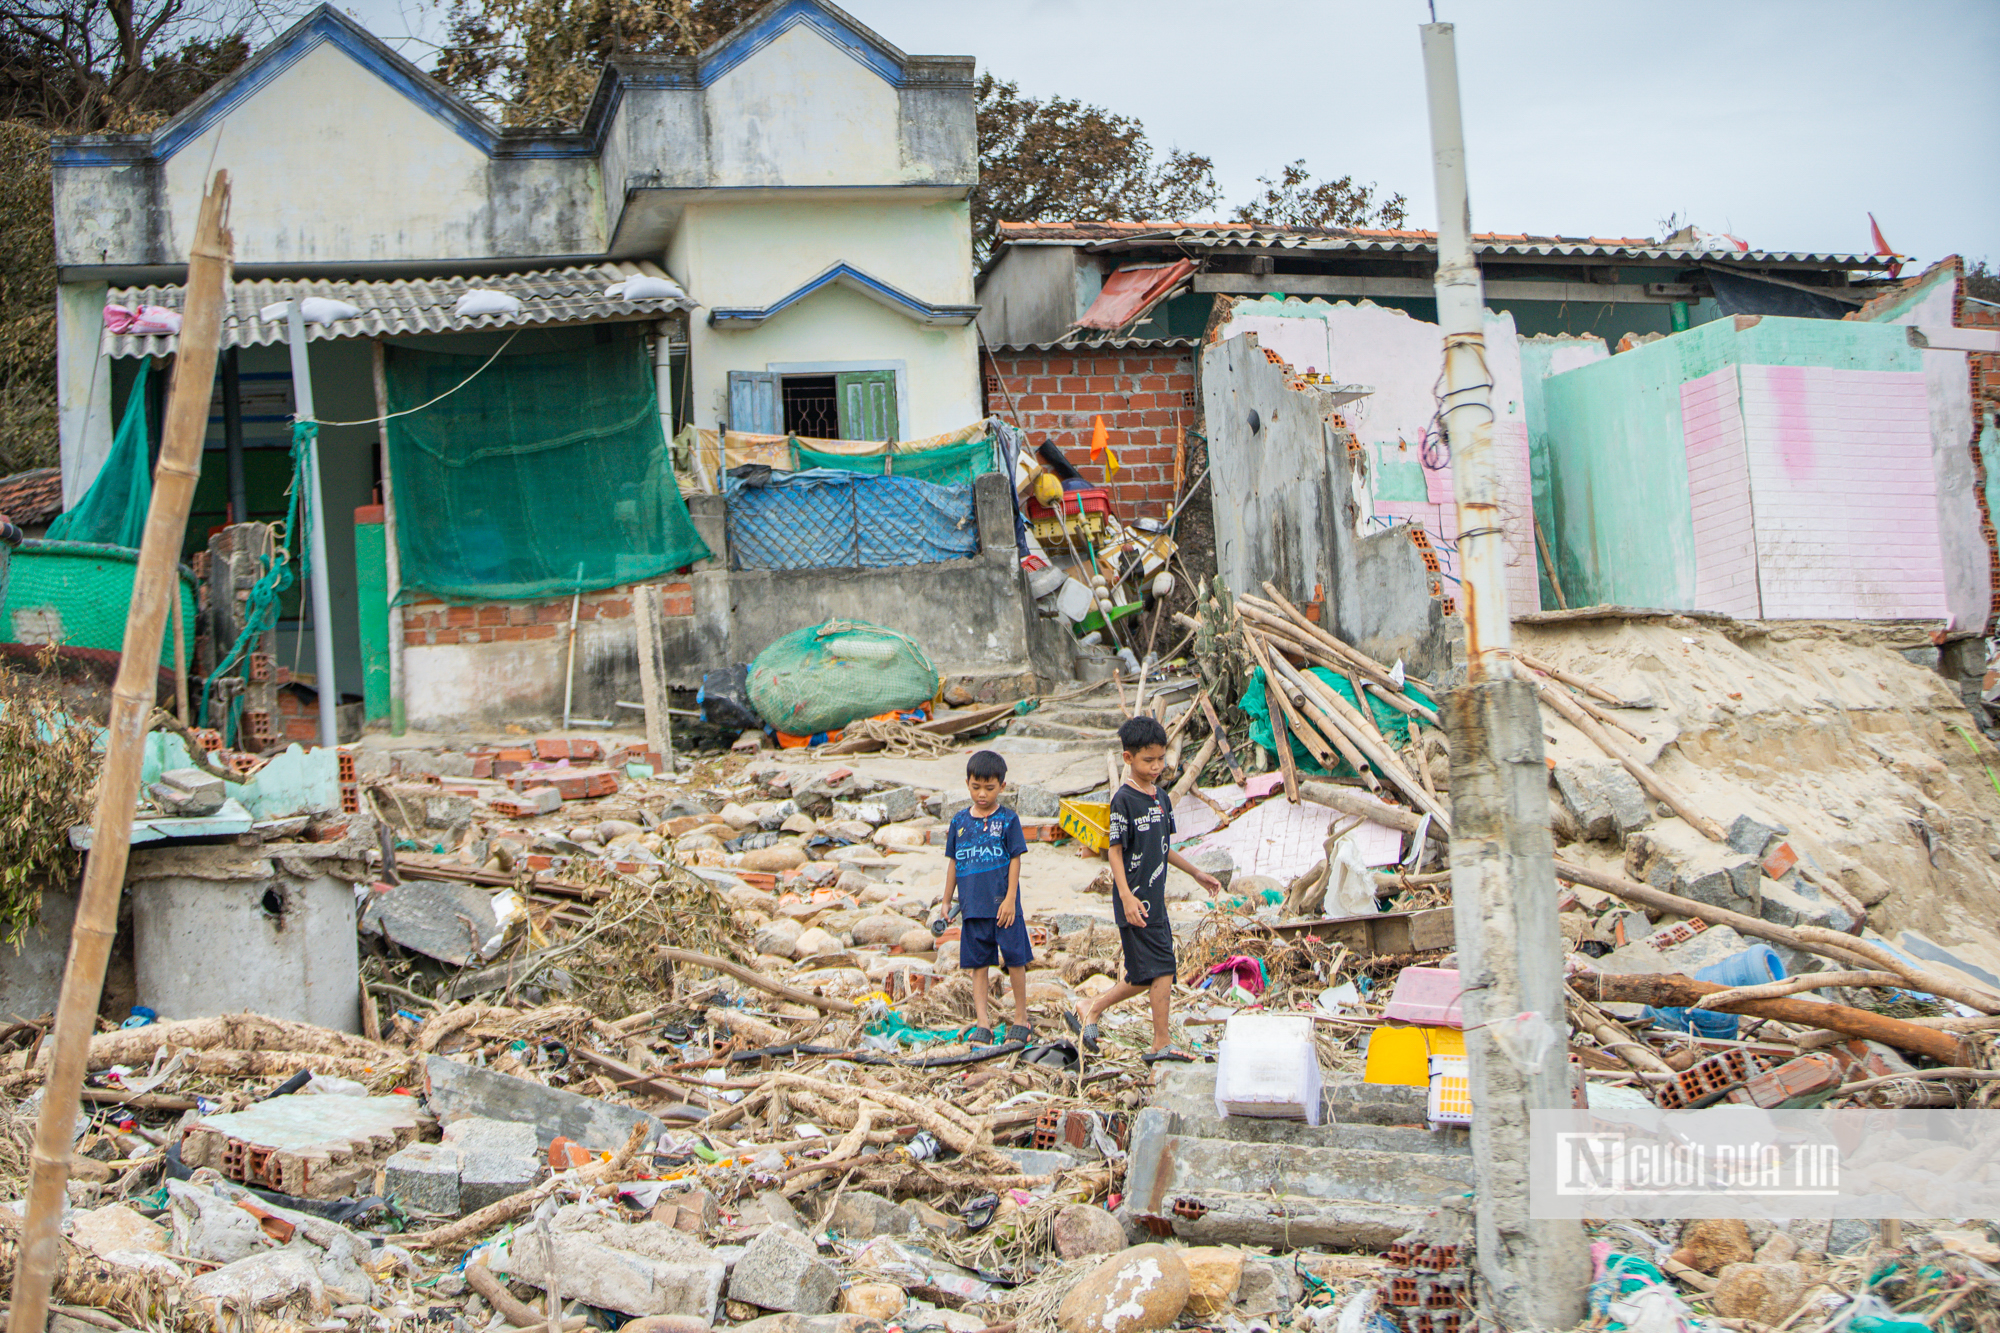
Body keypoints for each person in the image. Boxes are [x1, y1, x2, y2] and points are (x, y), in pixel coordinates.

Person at [1069, 715, 1221, 1062]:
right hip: (1135, 900)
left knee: (1144, 975)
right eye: (1147, 760)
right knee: (1163, 967)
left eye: (1160, 759)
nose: (1156, 767)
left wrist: (1197, 872)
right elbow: (1115, 850)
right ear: (1128, 759)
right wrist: (1125, 895)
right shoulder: (1124, 800)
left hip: (1155, 900)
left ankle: (1091, 1006)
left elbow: (1163, 848)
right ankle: (1160, 1043)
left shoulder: (1161, 799)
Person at [937, 749, 1032, 1047]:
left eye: (989, 788)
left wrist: (1009, 899)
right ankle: (983, 1022)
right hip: (972, 907)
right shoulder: (959, 822)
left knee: (1015, 959)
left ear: (1002, 787)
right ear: (967, 783)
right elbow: (954, 862)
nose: (982, 794)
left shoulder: (1008, 820)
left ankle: (1020, 1018)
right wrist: (945, 902)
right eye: (976, 787)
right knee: (979, 965)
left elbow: (1016, 858)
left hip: (1004, 908)